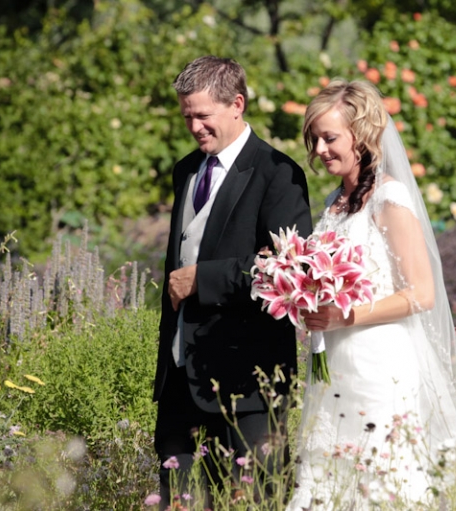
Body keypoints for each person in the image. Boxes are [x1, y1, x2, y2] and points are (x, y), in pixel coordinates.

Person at [287, 80, 456, 510]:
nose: (321, 149)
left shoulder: (389, 196)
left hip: (379, 366)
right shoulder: (333, 204)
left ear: (360, 135)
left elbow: (422, 294)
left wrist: (345, 316)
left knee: (384, 480)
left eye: (330, 137)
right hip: (334, 364)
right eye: (316, 139)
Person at [153, 55, 313, 507]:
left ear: (237, 104)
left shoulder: (278, 174)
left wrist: (202, 279)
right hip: (181, 377)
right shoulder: (186, 169)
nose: (194, 127)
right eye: (187, 116)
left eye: (203, 115)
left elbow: (291, 272)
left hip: (249, 386)